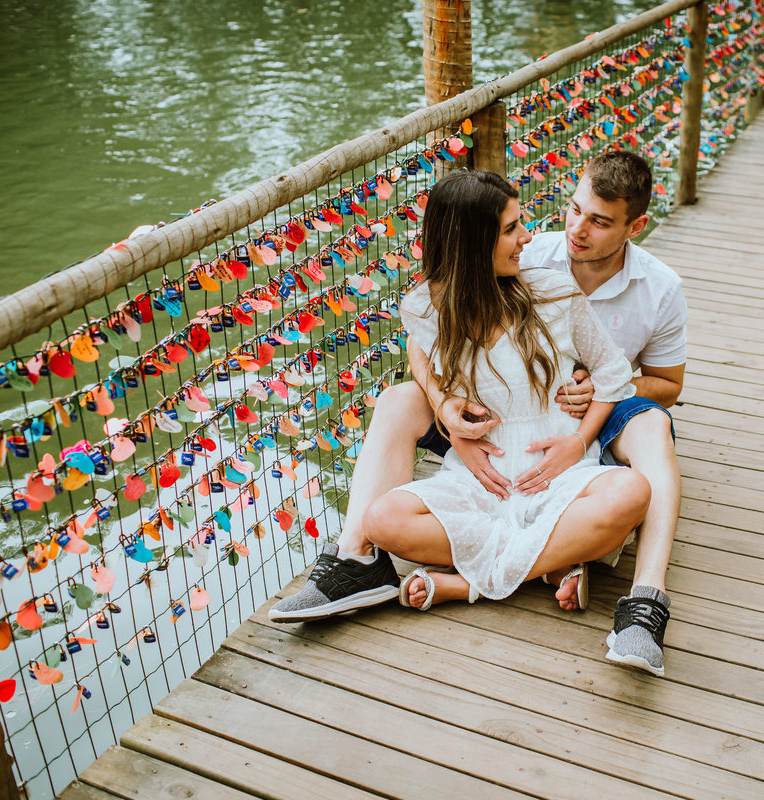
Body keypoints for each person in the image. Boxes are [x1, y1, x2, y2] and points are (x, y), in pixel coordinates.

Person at [271, 151, 686, 677]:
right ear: (473, 243)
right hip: (482, 465)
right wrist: (445, 408)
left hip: (557, 452)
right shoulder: (429, 303)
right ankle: (526, 562)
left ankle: (473, 584)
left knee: (631, 491)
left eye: (598, 221)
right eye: (515, 227)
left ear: (633, 227)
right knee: (384, 517)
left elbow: (622, 375)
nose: (538, 234)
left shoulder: (562, 289)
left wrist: (580, 438)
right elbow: (420, 345)